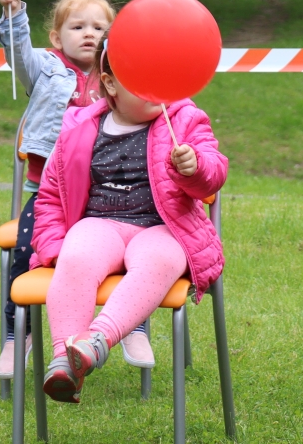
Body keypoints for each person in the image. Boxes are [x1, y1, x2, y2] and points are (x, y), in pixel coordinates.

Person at [29, 42, 228, 403]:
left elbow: (213, 174)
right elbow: (51, 196)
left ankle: (97, 341)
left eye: (160, 79)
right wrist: (55, 248)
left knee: (160, 259)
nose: (155, 90)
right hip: (102, 223)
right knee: (77, 255)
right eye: (140, 81)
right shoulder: (79, 128)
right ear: (110, 83)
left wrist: (195, 166)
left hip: (163, 227)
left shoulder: (184, 119)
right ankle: (65, 359)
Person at [0, 0, 151, 377]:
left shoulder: (121, 77)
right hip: (53, 197)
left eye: (99, 28)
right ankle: (18, 334)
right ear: (56, 37)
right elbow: (18, 52)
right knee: (24, 250)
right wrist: (14, 15)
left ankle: (133, 326)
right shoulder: (45, 69)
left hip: (108, 198)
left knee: (136, 249)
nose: (89, 35)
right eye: (78, 27)